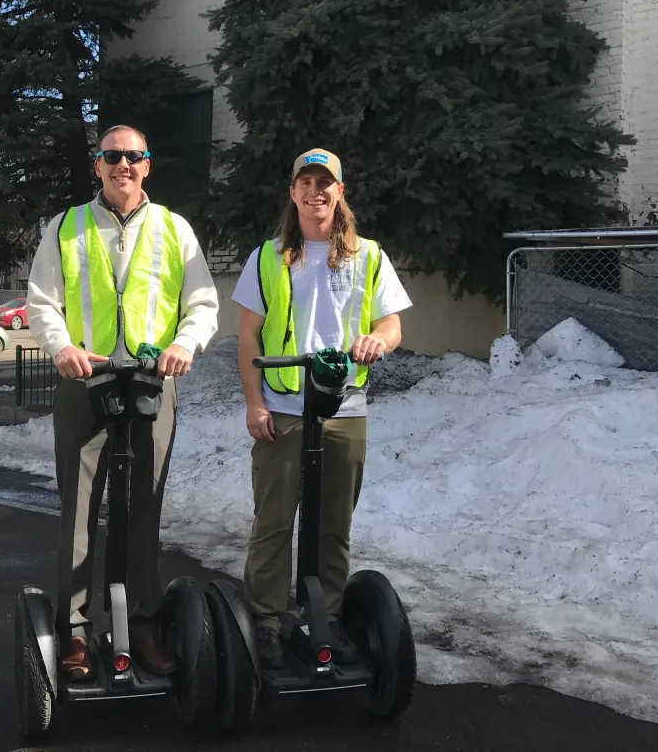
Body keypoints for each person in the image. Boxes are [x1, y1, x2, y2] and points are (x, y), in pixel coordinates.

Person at [25, 124, 220, 680]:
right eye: (113, 157)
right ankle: (76, 633)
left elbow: (202, 302)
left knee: (143, 509)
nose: (123, 166)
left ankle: (144, 626)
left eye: (134, 157)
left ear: (147, 164)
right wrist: (60, 347)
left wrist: (186, 343)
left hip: (152, 382)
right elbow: (42, 301)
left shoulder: (173, 228)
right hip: (84, 380)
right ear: (99, 164)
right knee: (79, 513)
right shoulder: (66, 226)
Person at [230, 148, 412, 669]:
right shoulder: (268, 257)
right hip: (283, 406)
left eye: (325, 183)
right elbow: (248, 336)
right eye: (306, 182)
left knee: (334, 523)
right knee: (274, 519)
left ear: (340, 191)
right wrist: (253, 401)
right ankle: (264, 622)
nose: (316, 192)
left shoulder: (368, 255)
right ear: (293, 193)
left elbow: (392, 324)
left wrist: (379, 339)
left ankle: (325, 615)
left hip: (344, 406)